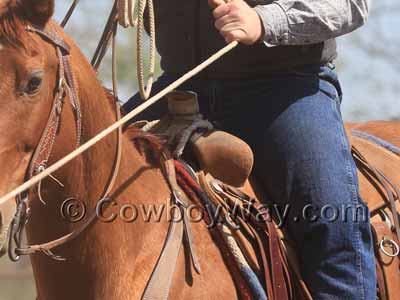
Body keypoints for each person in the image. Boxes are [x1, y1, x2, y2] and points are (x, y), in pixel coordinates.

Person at [123, 0, 375, 298]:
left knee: (331, 217)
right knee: (84, 174)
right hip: (178, 90)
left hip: (283, 87)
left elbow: (351, 5)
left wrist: (264, 20)